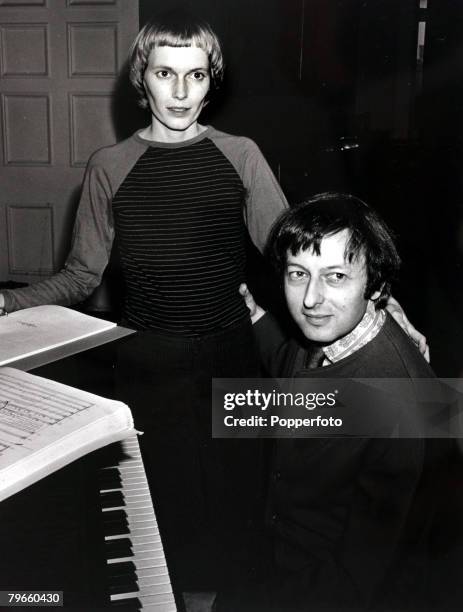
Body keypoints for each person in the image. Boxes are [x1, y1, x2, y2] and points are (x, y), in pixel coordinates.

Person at [0, 12, 428, 602]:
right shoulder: (108, 166)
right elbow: (81, 275)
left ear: (212, 79)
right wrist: (6, 301)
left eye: (196, 75)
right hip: (147, 365)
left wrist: (387, 307)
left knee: (242, 512)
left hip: (231, 359)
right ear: (140, 78)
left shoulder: (241, 155)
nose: (180, 92)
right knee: (161, 519)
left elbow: (296, 251)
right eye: (165, 73)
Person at [220, 193, 443, 611]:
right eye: (297, 274)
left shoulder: (402, 406)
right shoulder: (330, 334)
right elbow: (293, 364)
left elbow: (359, 581)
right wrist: (257, 318)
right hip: (283, 556)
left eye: (336, 276)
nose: (310, 299)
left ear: (376, 285)